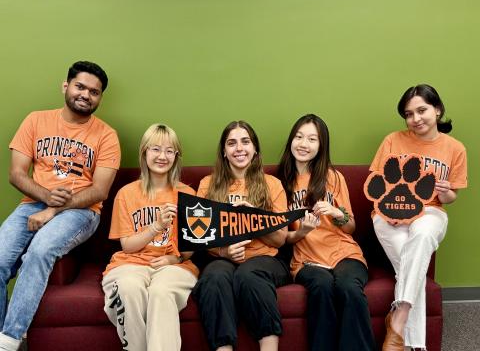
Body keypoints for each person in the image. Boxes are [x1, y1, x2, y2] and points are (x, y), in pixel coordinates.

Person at [0, 61, 121, 350]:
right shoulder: (35, 121)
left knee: (40, 251)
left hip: (81, 212)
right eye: (80, 86)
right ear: (65, 86)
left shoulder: (106, 135)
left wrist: (54, 208)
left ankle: (10, 340)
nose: (86, 95)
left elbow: (99, 190)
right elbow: (16, 173)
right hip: (32, 204)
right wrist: (45, 196)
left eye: (94, 92)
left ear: (99, 98)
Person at [369, 84, 467, 350]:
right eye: (409, 114)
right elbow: (376, 182)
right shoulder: (392, 140)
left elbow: (451, 197)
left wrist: (445, 193)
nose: (416, 119)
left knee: (422, 235)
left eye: (422, 110)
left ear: (437, 109)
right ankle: (414, 346)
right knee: (413, 267)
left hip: (430, 211)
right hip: (389, 213)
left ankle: (398, 321)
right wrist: (392, 207)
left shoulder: (455, 148)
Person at [277, 114, 375, 351]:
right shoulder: (279, 182)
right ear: (291, 140)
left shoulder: (333, 177)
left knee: (349, 288)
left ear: (321, 146)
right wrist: (304, 230)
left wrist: (335, 212)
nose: (303, 144)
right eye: (299, 137)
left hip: (344, 253)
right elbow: (281, 236)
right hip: (306, 261)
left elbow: (350, 227)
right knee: (321, 287)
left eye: (312, 139)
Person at [192, 121, 290, 351]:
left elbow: (280, 240)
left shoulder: (272, 184)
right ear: (224, 152)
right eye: (232, 143)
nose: (239, 149)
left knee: (249, 274)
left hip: (267, 259)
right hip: (222, 259)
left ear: (255, 149)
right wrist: (223, 252)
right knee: (214, 277)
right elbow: (199, 236)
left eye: (245, 142)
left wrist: (253, 218)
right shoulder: (208, 185)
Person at [102, 124, 198, 351]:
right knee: (128, 288)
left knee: (161, 291)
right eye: (155, 149)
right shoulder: (126, 194)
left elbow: (188, 251)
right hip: (130, 264)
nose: (162, 156)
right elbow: (127, 246)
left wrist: (173, 260)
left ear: (176, 156)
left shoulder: (188, 195)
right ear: (144, 153)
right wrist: (156, 226)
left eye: (169, 151)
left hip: (174, 267)